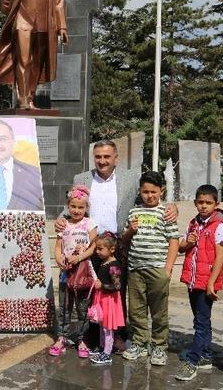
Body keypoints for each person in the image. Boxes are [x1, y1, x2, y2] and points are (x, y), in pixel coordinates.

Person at [55, 140, 178, 351]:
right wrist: (61, 217)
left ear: (115, 158)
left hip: (118, 244)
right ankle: (91, 334)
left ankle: (118, 334)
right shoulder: (81, 178)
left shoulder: (130, 178)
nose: (102, 161)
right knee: (89, 291)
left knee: (116, 290)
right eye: (98, 157)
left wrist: (171, 205)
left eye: (106, 156)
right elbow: (75, 205)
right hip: (89, 244)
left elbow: (148, 197)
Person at [120, 171, 179, 366]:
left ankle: (159, 346)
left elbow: (174, 241)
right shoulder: (134, 212)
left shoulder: (166, 213)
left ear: (161, 191)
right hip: (135, 269)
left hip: (157, 269)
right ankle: (139, 343)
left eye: (153, 192)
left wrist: (168, 270)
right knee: (136, 310)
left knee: (158, 311)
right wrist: (130, 230)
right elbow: (124, 240)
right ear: (140, 191)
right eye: (145, 192)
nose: (150, 195)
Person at [174, 184, 223, 381]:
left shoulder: (220, 227)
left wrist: (211, 283)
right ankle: (206, 356)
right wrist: (188, 242)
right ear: (195, 203)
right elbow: (182, 247)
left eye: (208, 203)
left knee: (200, 322)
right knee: (201, 320)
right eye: (200, 202)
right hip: (192, 281)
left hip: (206, 282)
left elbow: (220, 257)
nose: (204, 206)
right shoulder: (193, 223)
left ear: (217, 204)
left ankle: (192, 361)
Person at [49, 185, 97, 357]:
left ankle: (82, 339)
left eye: (81, 207)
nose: (77, 210)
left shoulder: (89, 224)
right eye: (73, 206)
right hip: (66, 272)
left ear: (86, 208)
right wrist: (58, 259)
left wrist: (79, 257)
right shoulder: (64, 225)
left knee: (83, 307)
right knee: (64, 306)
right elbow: (58, 246)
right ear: (68, 206)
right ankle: (62, 337)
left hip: (83, 271)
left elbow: (93, 246)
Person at [88, 233, 125, 365]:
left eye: (100, 249)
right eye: (96, 248)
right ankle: (103, 348)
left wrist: (102, 285)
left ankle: (107, 353)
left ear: (112, 249)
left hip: (109, 300)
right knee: (102, 326)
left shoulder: (114, 265)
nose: (97, 251)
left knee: (108, 328)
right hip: (102, 298)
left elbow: (117, 286)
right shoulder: (104, 262)